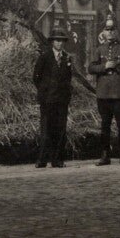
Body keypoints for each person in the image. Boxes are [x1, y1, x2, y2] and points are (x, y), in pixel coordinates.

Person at [87, 40, 120, 166]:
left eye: (112, 29)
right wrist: (104, 67)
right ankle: (105, 155)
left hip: (118, 93)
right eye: (107, 29)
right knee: (105, 125)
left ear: (116, 31)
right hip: (103, 93)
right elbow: (91, 68)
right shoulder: (99, 49)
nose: (110, 32)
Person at [33, 29, 76, 168]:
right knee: (46, 129)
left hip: (62, 99)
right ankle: (42, 160)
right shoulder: (45, 57)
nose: (60, 43)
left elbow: (68, 77)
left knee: (60, 129)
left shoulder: (67, 58)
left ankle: (57, 160)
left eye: (62, 41)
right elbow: (36, 77)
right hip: (47, 99)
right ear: (52, 42)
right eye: (57, 40)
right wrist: (44, 90)